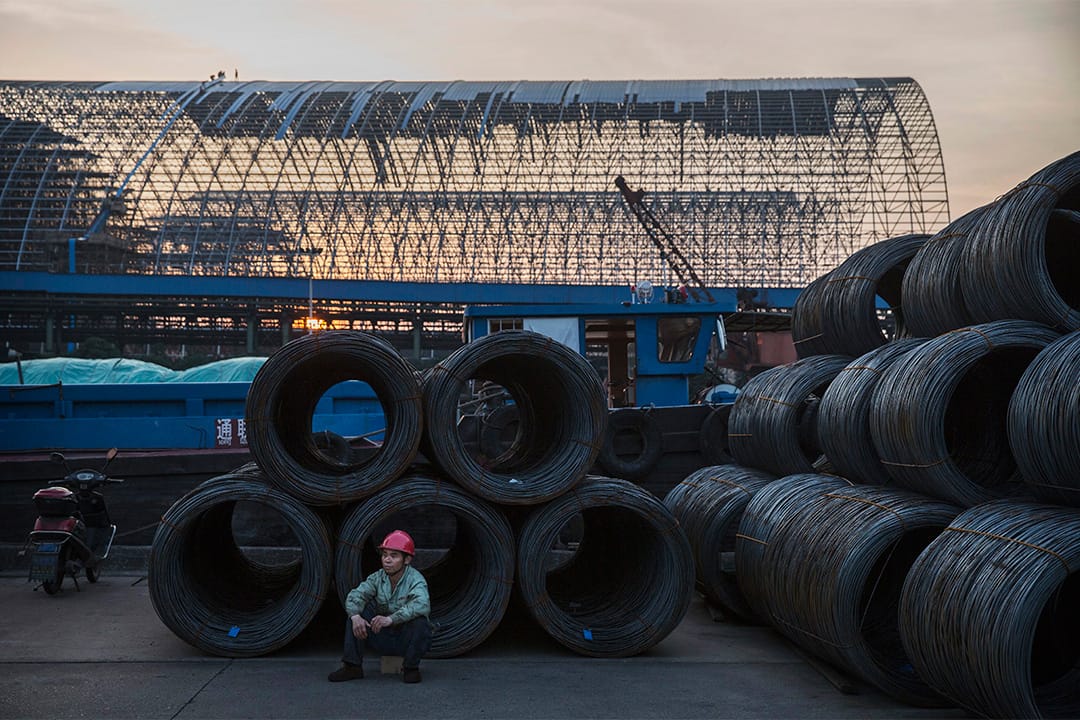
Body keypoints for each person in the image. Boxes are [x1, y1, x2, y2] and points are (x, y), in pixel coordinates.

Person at [328, 530, 431, 684]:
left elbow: (421, 604)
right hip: (382, 635)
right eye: (384, 555)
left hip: (405, 638)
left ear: (407, 559)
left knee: (421, 622)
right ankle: (352, 666)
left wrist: (391, 619)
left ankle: (411, 668)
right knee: (357, 613)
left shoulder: (416, 579)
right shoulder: (377, 578)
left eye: (394, 556)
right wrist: (355, 616)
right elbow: (356, 595)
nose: (387, 560)